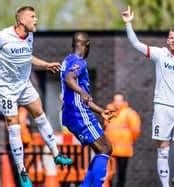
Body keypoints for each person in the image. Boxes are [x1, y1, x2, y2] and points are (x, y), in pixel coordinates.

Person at [0, 6, 72, 187]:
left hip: (24, 85)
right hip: (6, 88)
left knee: (40, 115)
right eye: (33, 16)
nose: (36, 20)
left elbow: (27, 57)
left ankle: (56, 154)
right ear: (21, 20)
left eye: (36, 16)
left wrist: (46, 64)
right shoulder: (2, 36)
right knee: (14, 126)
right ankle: (22, 171)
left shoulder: (30, 36)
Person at [122, 6, 174, 187]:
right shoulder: (161, 54)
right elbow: (136, 44)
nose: (173, 40)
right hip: (162, 109)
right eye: (170, 38)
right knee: (163, 152)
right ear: (167, 40)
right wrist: (128, 24)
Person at [60, 31, 115, 187]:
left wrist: (101, 111)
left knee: (103, 150)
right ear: (87, 44)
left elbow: (83, 97)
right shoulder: (79, 62)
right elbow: (69, 78)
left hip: (73, 113)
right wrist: (82, 92)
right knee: (105, 149)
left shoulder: (67, 60)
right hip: (78, 114)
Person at [104, 92, 141, 187]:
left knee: (121, 175)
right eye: (115, 100)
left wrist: (127, 140)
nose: (117, 103)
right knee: (109, 174)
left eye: (119, 100)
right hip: (111, 150)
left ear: (123, 101)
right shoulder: (109, 112)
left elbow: (135, 131)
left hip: (124, 150)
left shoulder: (129, 113)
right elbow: (107, 129)